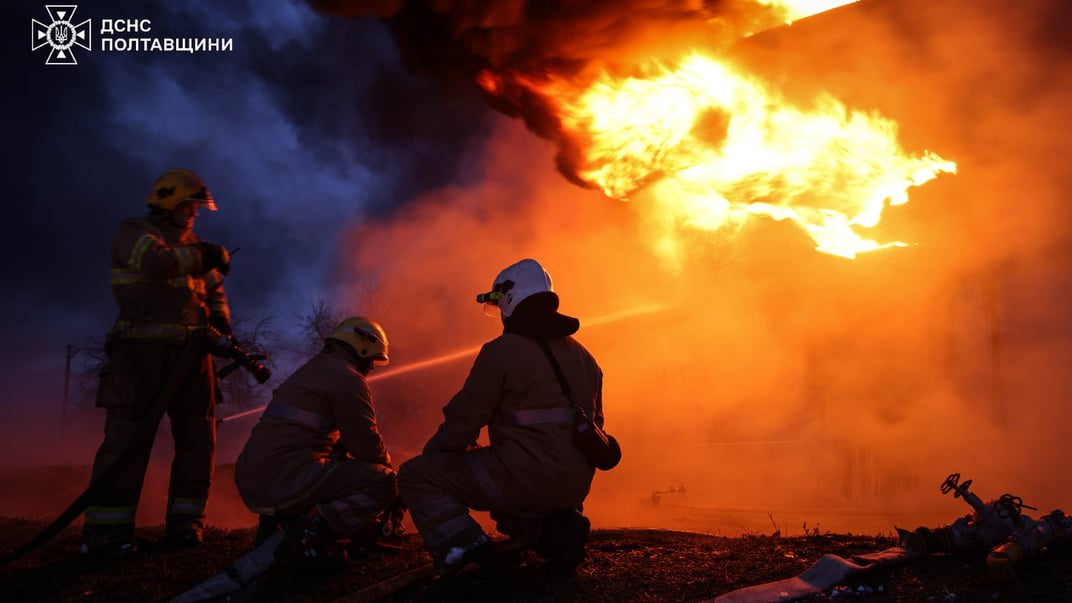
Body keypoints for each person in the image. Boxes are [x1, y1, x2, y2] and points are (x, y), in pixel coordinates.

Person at [398, 258, 605, 595]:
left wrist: (434, 459)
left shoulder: (501, 352)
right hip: (573, 489)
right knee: (500, 464)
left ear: (509, 299)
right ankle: (555, 533)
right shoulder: (586, 358)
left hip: (524, 481)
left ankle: (467, 561)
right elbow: (595, 427)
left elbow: (462, 424)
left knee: (416, 474)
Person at [82, 168, 234, 557]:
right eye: (190, 206)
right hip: (139, 353)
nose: (195, 214)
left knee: (199, 441)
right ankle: (107, 534)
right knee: (128, 441)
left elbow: (214, 290)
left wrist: (220, 321)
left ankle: (186, 526)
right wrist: (205, 254)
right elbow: (155, 262)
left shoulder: (194, 246)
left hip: (192, 357)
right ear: (168, 202)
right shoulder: (135, 232)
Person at [234, 316, 399, 569]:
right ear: (362, 347)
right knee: (384, 481)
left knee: (332, 462)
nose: (372, 368)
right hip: (283, 481)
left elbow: (305, 437)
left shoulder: (307, 372)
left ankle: (273, 531)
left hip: (253, 480)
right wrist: (393, 478)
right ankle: (308, 538)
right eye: (372, 359)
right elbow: (365, 443)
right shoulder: (348, 378)